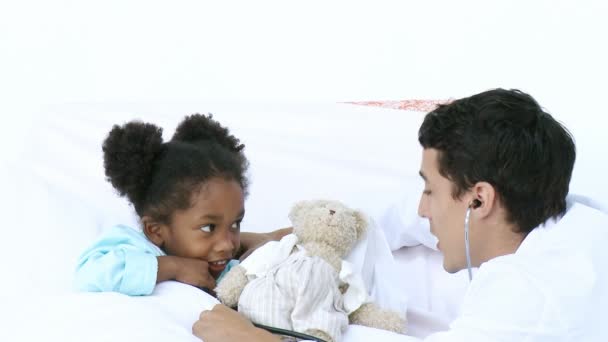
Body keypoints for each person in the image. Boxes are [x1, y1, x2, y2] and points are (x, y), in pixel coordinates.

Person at [192, 89, 608, 341]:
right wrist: (278, 238)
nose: (422, 207)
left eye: (429, 189)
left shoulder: (533, 299)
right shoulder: (566, 216)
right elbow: (396, 216)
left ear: (479, 200)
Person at [74, 113, 286, 295]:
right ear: (155, 230)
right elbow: (88, 274)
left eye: (235, 224)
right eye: (208, 227)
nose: (227, 244)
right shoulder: (137, 249)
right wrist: (172, 267)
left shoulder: (227, 271)